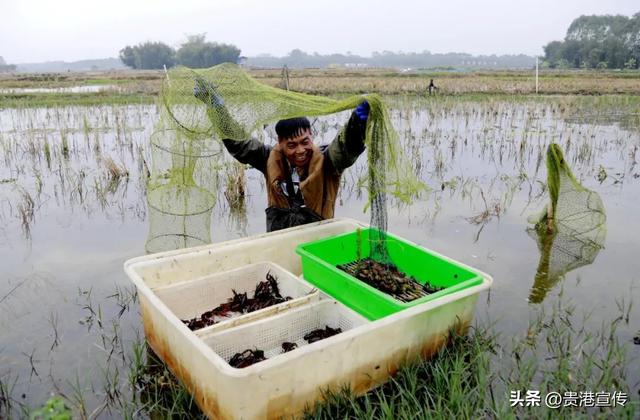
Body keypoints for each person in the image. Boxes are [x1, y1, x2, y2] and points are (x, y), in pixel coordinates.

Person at [194, 77, 369, 232]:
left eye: (304, 142)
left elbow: (345, 149)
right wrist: (216, 109)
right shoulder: (268, 158)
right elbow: (240, 144)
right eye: (292, 145)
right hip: (279, 238)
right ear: (280, 142)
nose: (300, 151)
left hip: (318, 241)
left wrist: (357, 126)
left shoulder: (327, 160)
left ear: (312, 136)